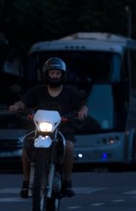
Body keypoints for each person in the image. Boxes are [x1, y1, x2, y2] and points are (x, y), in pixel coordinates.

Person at [9, 57, 88, 199]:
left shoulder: (70, 92)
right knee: (26, 145)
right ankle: (26, 182)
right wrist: (16, 106)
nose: (55, 76)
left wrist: (82, 111)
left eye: (58, 73)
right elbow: (23, 102)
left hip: (62, 129)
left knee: (69, 146)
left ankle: (67, 182)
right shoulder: (37, 91)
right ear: (46, 74)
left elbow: (82, 105)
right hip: (39, 129)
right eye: (52, 73)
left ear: (62, 75)